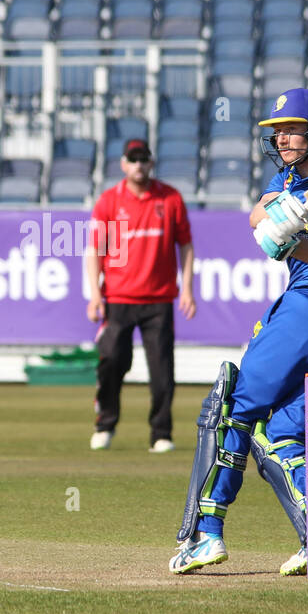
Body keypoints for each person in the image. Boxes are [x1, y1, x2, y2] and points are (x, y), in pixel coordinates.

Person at [169, 88, 308, 576]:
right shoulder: (293, 181)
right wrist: (277, 214)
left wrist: (295, 243)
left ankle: (205, 534)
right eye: (275, 130)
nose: (281, 137)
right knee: (282, 433)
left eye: (291, 129)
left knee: (230, 409)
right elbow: (259, 213)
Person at [85, 138, 196, 453]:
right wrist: (95, 295)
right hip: (118, 298)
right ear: (123, 164)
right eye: (132, 160)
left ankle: (161, 433)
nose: (138, 165)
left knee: (162, 370)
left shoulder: (170, 198)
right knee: (112, 362)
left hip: (159, 300)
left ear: (151, 163)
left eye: (143, 159)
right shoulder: (109, 201)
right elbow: (95, 251)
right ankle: (105, 424)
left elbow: (185, 245)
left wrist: (187, 288)